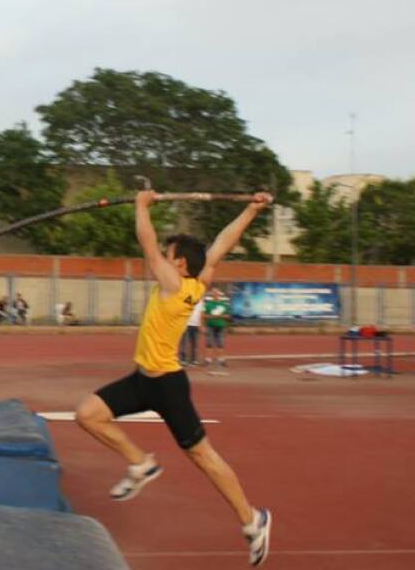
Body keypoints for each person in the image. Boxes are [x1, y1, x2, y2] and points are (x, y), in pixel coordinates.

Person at [75, 190, 273, 567]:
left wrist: (141, 205)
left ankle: (252, 520)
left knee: (203, 457)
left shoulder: (174, 286)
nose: (162, 261)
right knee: (88, 414)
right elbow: (221, 245)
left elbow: (148, 246)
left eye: (169, 258)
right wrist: (250, 209)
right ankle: (140, 463)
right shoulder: (198, 279)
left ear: (179, 265)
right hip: (143, 379)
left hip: (168, 386)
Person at [203, 287, 231, 370]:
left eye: (217, 293)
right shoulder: (208, 304)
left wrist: (220, 316)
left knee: (220, 344)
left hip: (221, 326)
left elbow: (228, 316)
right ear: (211, 295)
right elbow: (204, 315)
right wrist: (211, 316)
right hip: (210, 326)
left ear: (219, 295)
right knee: (209, 344)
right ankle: (208, 360)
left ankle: (221, 360)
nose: (215, 295)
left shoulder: (224, 305)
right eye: (213, 293)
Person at [178, 295, 201, 366]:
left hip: (196, 324)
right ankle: (183, 359)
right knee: (184, 342)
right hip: (186, 324)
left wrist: (201, 324)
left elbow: (201, 313)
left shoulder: (200, 301)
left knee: (194, 343)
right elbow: (182, 309)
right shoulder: (188, 298)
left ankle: (193, 359)